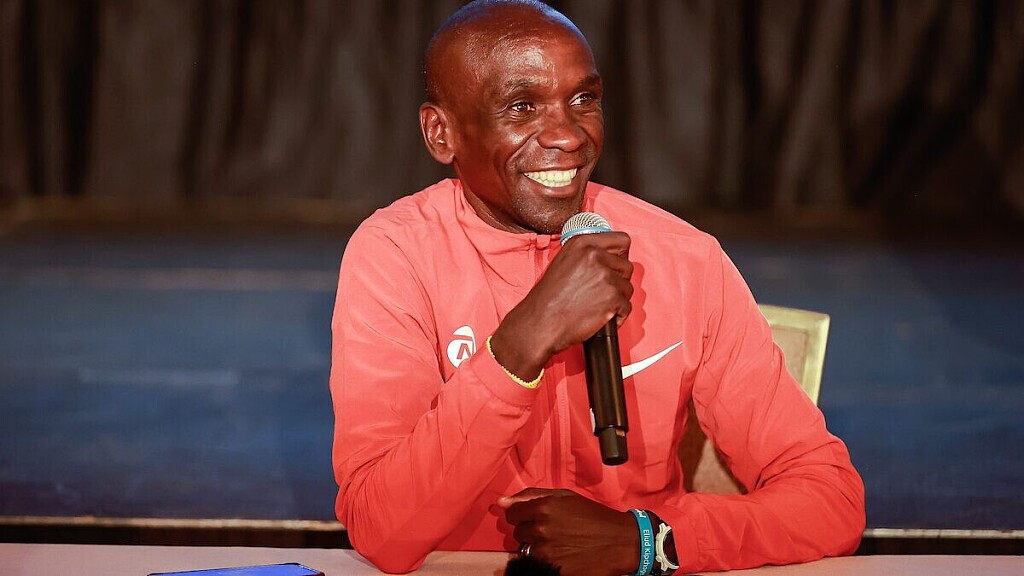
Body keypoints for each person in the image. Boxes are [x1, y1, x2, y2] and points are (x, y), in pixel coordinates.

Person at [329, 1, 865, 574]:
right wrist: (522, 341)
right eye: (521, 107)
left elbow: (830, 499)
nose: (567, 136)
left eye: (583, 100)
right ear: (442, 133)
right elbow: (381, 528)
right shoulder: (395, 255)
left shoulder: (685, 258)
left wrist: (651, 542)